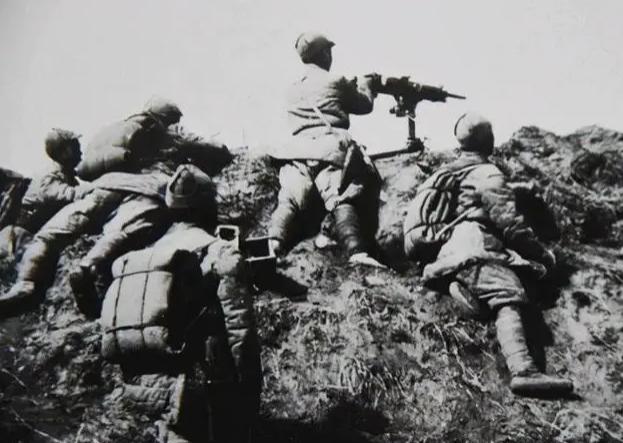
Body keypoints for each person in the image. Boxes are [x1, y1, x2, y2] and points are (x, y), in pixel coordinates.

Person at [0, 98, 231, 316]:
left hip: (104, 185)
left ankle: (26, 282)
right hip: (146, 187)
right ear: (166, 118)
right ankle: (87, 267)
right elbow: (215, 150)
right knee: (122, 232)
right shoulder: (164, 133)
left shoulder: (118, 135)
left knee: (54, 233)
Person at [403, 112, 574, 396]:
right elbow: (512, 226)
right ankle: (524, 371)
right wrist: (543, 255)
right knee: (509, 294)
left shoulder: (448, 171)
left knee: (506, 282)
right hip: (476, 247)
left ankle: (465, 294)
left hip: (446, 251)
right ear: (489, 141)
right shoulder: (487, 173)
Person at [114, 165, 261, 442]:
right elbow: (241, 333)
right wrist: (249, 393)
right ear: (206, 207)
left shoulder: (148, 255)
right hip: (200, 391)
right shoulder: (220, 252)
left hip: (145, 389)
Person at [268, 32, 384, 268]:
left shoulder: (292, 89)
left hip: (297, 152)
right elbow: (363, 105)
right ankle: (357, 252)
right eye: (328, 51)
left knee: (289, 200)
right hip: (330, 149)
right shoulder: (336, 80)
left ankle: (272, 246)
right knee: (341, 197)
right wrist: (366, 85)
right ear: (323, 54)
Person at [0, 129, 92, 257]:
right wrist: (99, 186)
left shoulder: (67, 176)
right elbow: (70, 194)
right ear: (63, 153)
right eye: (75, 147)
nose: (80, 152)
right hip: (22, 236)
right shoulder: (49, 178)